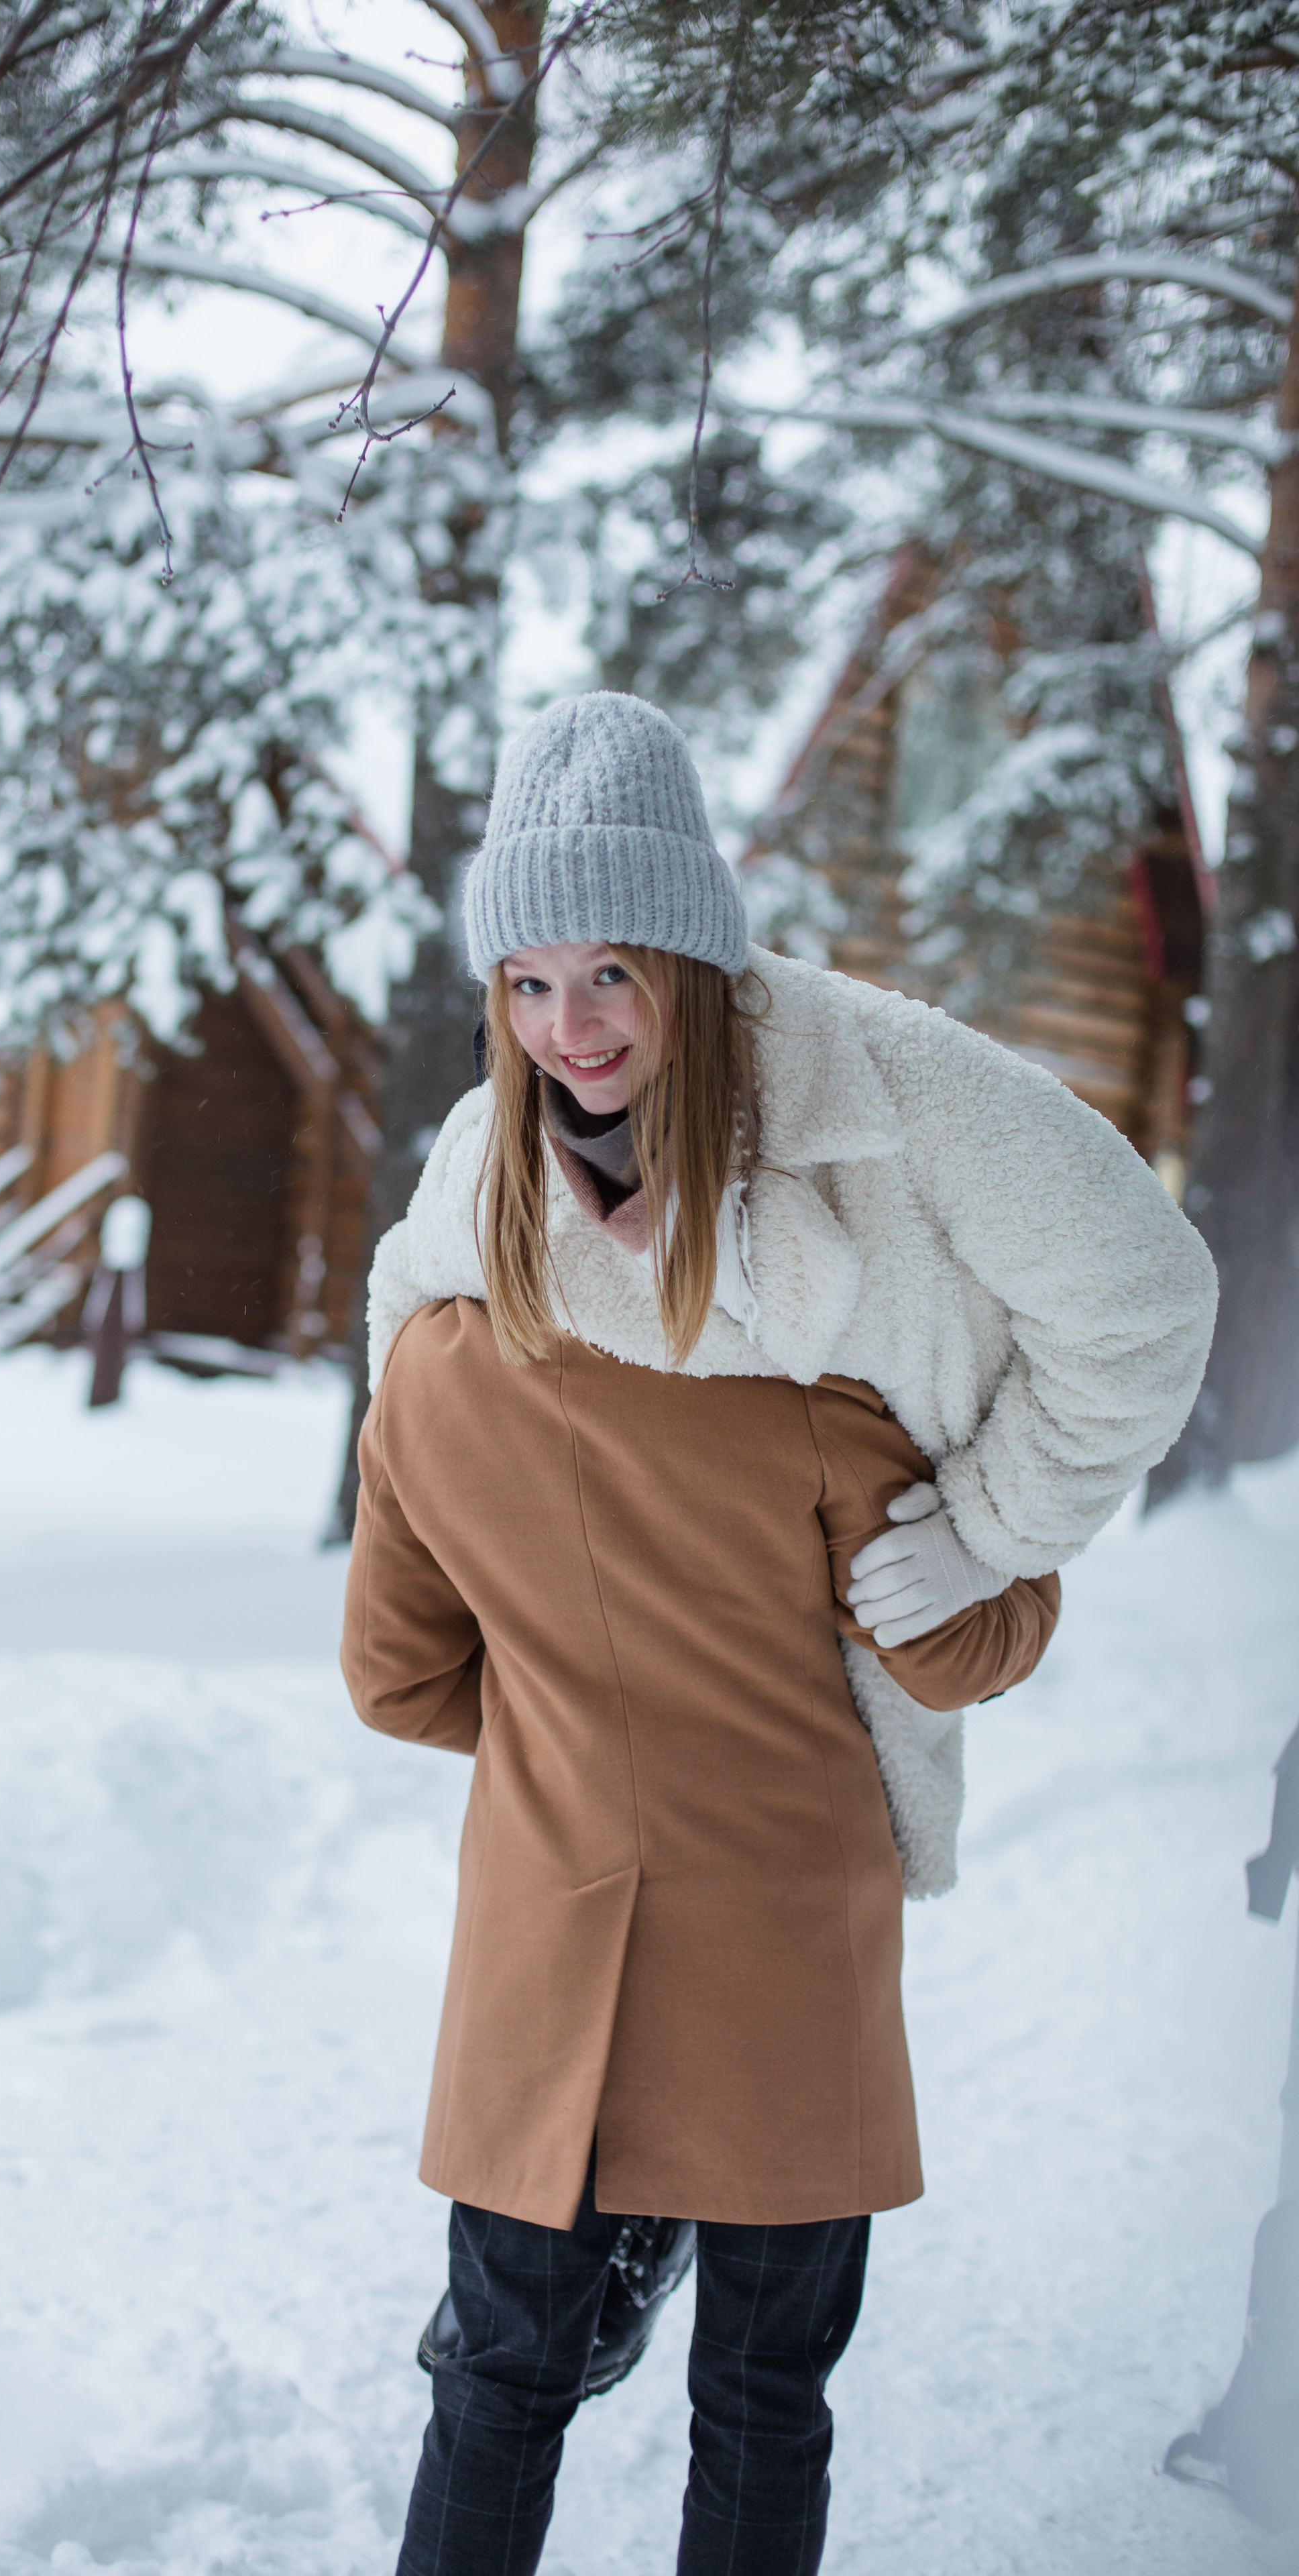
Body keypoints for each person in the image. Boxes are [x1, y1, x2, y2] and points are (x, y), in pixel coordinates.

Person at [340, 691, 1217, 2575]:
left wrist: (985, 1527)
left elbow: (1146, 1298)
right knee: (745, 2377)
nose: (569, 1032)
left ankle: (623, 2222)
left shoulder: (887, 1094)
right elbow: (411, 1343)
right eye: (527, 983)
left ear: (700, 964)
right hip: (735, 1892)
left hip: (648, 1880)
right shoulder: (499, 1191)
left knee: (538, 2373)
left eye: (613, 979)